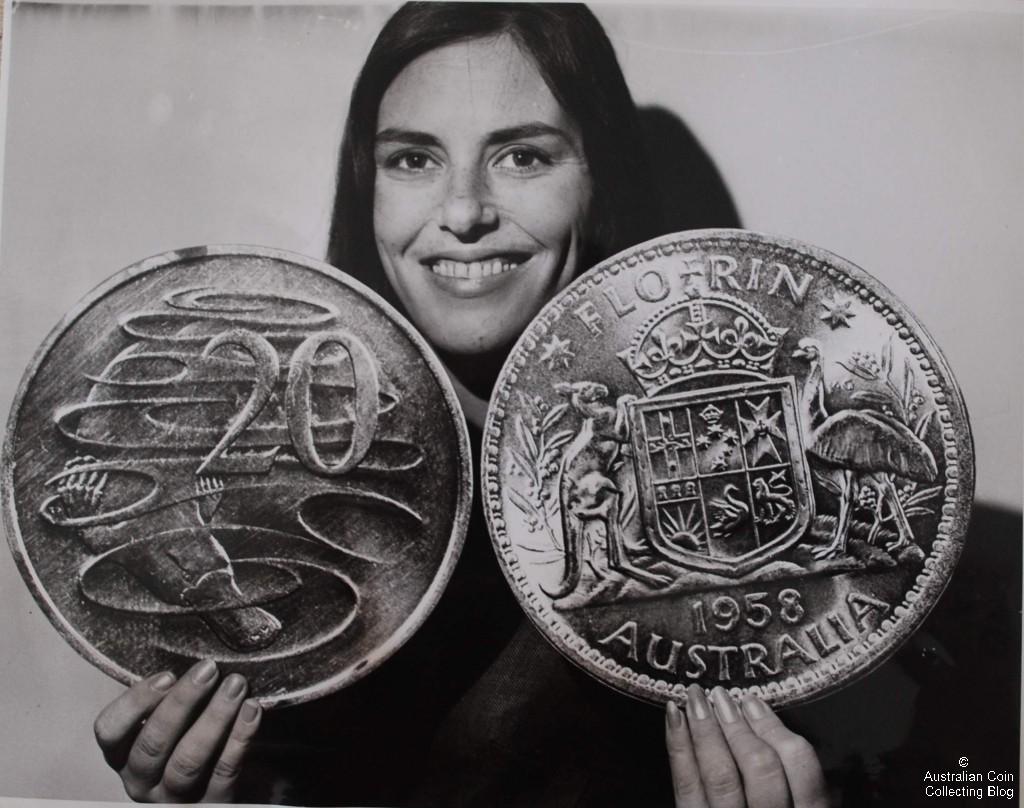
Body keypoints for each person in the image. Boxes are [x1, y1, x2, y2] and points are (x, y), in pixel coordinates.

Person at [90, 4, 830, 805]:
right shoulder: (258, 509)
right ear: (366, 186)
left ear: (597, 178)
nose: (465, 211)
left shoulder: (732, 495)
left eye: (521, 156)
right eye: (413, 159)